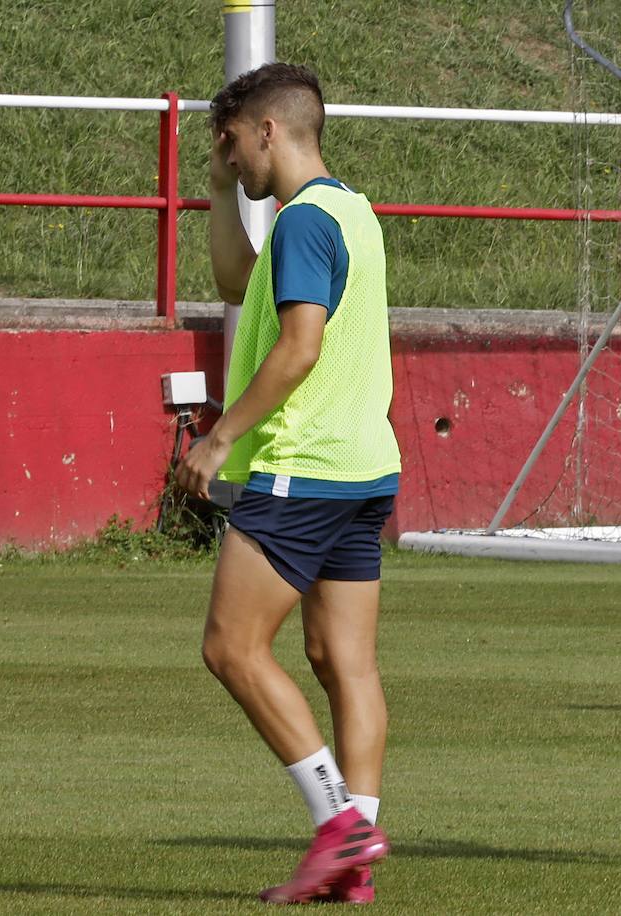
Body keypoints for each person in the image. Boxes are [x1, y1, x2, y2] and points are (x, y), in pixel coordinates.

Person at [175, 62, 399, 903]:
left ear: (268, 130)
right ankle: (356, 858)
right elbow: (237, 279)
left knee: (230, 647)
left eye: (231, 144)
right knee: (344, 661)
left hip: (300, 469)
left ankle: (338, 823)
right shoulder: (349, 212)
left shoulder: (306, 222)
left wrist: (220, 435)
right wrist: (211, 178)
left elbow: (299, 347)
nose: (230, 161)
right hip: (364, 468)